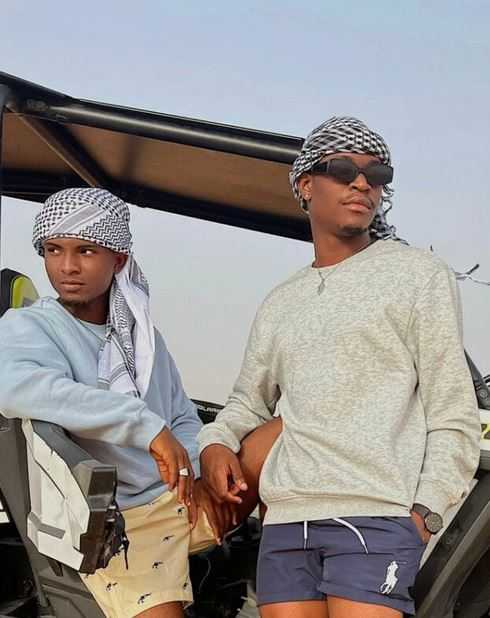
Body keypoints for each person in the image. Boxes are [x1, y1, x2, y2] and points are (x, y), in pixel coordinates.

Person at [198, 117, 481, 618]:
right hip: (287, 521)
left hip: (376, 515)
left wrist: (426, 513)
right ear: (306, 185)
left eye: (377, 175)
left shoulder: (418, 275)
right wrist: (215, 443)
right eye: (344, 170)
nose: (362, 184)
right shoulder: (282, 301)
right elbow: (248, 401)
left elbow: (452, 412)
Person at [0, 188, 228, 618]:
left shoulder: (143, 338)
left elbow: (182, 416)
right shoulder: (29, 327)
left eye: (85, 251)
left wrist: (195, 473)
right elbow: (16, 387)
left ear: (118, 260)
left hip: (178, 499)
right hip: (117, 524)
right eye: (53, 250)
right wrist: (145, 426)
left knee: (276, 437)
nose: (67, 267)